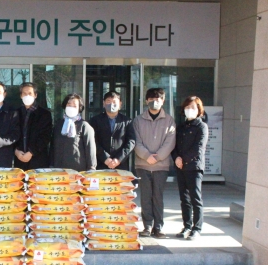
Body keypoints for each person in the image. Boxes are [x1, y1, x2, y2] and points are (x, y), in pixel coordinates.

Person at [133, 88, 176, 239]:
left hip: (161, 166)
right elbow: (136, 141)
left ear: (163, 101)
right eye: (151, 99)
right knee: (145, 197)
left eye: (158, 99)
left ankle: (158, 227)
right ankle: (147, 226)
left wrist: (157, 157)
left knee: (158, 196)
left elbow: (170, 142)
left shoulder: (169, 120)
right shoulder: (138, 120)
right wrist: (146, 156)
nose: (154, 102)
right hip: (142, 165)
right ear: (146, 101)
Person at [171, 96, 208, 241]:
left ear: (199, 109)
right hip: (180, 167)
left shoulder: (201, 127)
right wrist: (176, 158)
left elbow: (199, 148)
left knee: (195, 198)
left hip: (194, 167)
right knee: (184, 199)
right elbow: (174, 146)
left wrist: (183, 160)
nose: (189, 110)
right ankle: (186, 226)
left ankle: (196, 228)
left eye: (192, 107)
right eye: (187, 107)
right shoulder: (181, 127)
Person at [89, 91, 136, 171]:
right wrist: (105, 158)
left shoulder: (127, 121)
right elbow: (92, 141)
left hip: (120, 165)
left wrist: (118, 159)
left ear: (120, 104)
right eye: (108, 101)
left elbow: (131, 142)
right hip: (100, 163)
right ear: (104, 103)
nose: (111, 104)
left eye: (114, 102)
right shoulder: (95, 120)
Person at [49, 93, 97, 171]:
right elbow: (53, 147)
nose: (71, 107)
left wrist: (91, 167)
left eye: (74, 106)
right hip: (58, 169)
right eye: (69, 104)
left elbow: (90, 149)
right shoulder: (59, 125)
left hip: (78, 170)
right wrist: (51, 164)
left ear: (79, 108)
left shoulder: (84, 126)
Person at [14, 82, 53, 170]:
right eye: (24, 93)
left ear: (35, 95)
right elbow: (13, 134)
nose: (27, 96)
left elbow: (45, 136)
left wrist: (31, 152)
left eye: (30, 93)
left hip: (38, 160)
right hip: (19, 159)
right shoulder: (16, 113)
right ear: (21, 96)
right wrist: (16, 151)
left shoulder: (44, 114)